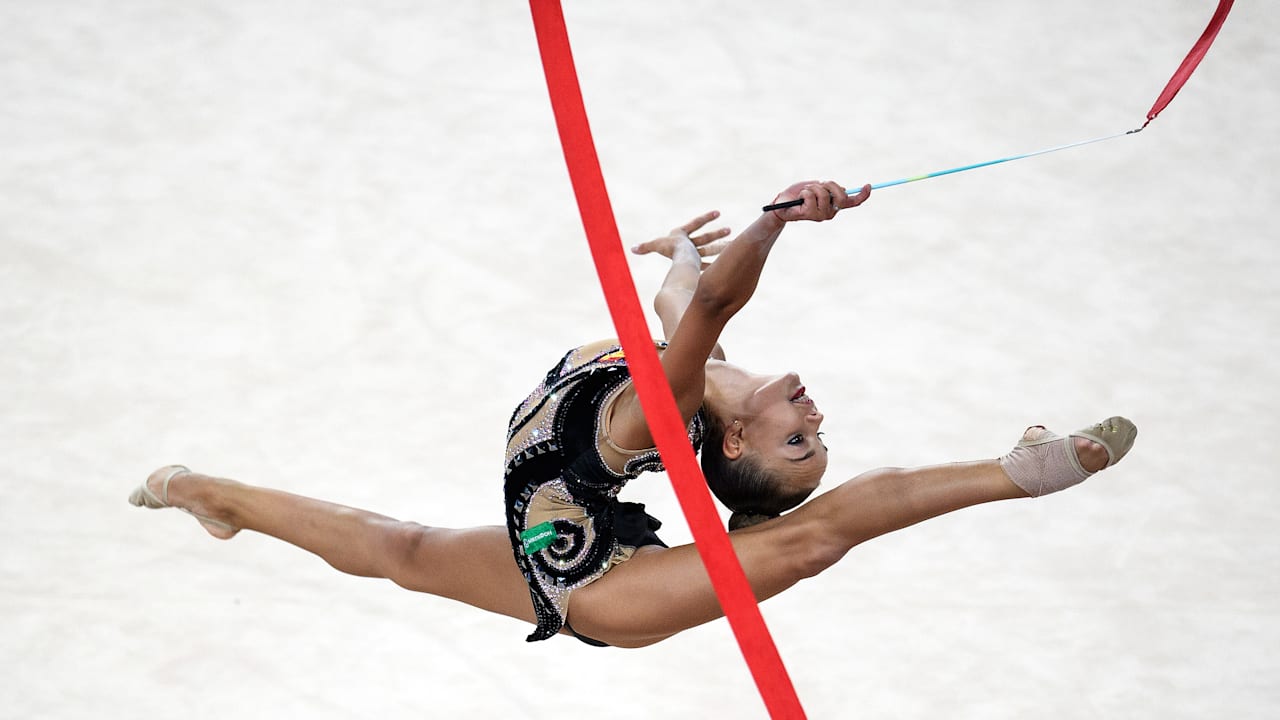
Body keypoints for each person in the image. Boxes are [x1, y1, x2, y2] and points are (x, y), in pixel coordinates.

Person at [129, 180, 1137, 648]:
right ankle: (204, 491)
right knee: (398, 548)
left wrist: (778, 219)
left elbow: (704, 308)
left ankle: (1022, 472)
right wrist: (679, 250)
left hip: (607, 591)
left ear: (733, 444)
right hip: (547, 544)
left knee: (809, 543)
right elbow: (681, 301)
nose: (813, 415)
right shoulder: (702, 383)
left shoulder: (666, 411)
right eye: (813, 437)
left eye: (798, 438)